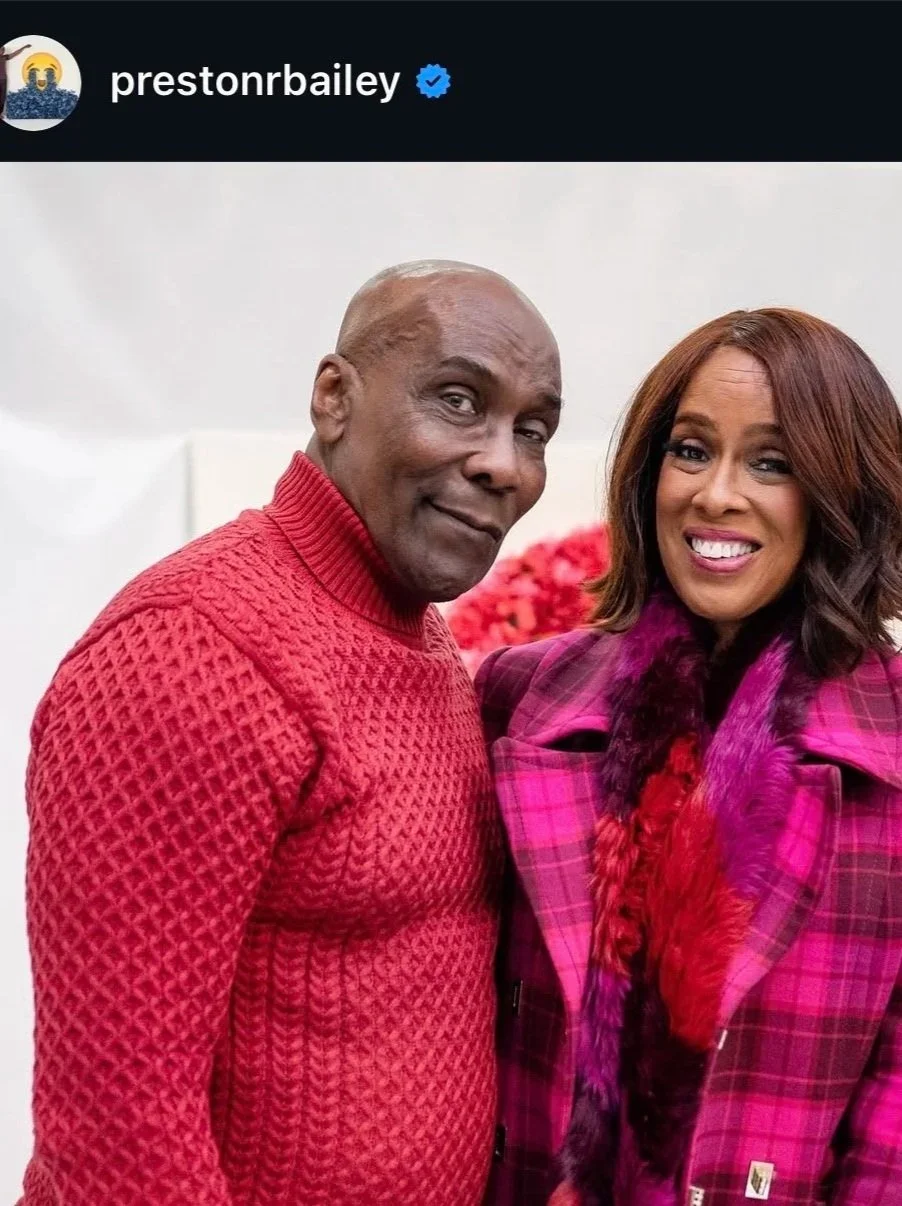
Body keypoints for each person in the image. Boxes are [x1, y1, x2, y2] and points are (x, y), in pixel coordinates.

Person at [17, 259, 563, 1205]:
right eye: (460, 400)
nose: (504, 463)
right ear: (334, 396)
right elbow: (116, 1131)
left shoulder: (408, 625)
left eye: (534, 429)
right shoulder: (191, 654)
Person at [477, 308, 902, 1205]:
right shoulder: (520, 698)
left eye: (772, 462)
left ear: (845, 490)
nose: (715, 495)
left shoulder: (890, 746)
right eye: (691, 449)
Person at [0, 42, 31, 120]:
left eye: (3, 50)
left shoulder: (5, 57)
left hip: (3, 79)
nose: (2, 51)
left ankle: (0, 114)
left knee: (2, 97)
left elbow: (15, 53)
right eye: (1, 49)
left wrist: (23, 47)